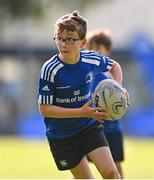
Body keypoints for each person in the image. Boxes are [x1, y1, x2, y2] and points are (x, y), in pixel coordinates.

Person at [38, 10, 125, 179]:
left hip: (88, 127)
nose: (63, 44)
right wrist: (81, 111)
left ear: (83, 42)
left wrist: (117, 89)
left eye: (70, 39)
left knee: (112, 173)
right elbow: (45, 109)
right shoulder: (50, 69)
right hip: (61, 135)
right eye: (60, 38)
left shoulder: (91, 59)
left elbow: (115, 66)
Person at [86, 28, 125, 178]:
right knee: (82, 168)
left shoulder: (109, 77)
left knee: (115, 167)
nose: (93, 52)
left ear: (107, 51)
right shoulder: (87, 74)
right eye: (90, 48)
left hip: (112, 129)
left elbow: (119, 99)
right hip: (90, 128)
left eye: (97, 48)